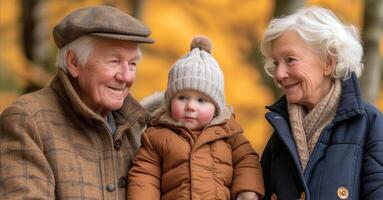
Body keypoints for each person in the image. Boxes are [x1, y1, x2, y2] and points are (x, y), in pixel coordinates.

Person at [0, 5, 154, 199]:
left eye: (132, 64)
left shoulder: (141, 128)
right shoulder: (28, 119)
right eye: (114, 61)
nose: (126, 77)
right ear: (74, 62)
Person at [260, 6, 383, 200]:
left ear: (329, 62)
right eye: (276, 63)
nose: (278, 74)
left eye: (290, 60)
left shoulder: (370, 125)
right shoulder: (280, 134)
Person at [127, 36, 265, 200]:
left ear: (216, 107)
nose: (191, 106)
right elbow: (144, 176)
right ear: (169, 101)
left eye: (201, 100)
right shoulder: (156, 137)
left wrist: (246, 191)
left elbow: (247, 161)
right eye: (182, 98)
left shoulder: (230, 134)